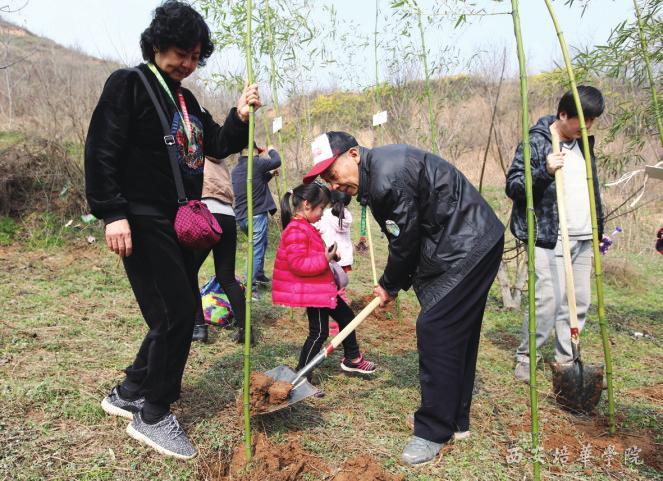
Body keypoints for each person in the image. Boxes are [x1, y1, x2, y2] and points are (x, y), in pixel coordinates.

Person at [84, 1, 261, 459]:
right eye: (181, 53)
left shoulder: (186, 101)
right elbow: (101, 150)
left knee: (170, 311)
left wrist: (240, 115)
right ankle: (154, 413)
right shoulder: (129, 84)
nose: (187, 63)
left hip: (176, 219)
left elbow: (215, 145)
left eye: (195, 56)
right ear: (158, 44)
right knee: (178, 314)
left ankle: (129, 392)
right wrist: (112, 213)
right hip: (140, 217)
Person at [304, 131, 504, 466]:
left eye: (333, 174)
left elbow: (404, 241)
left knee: (435, 328)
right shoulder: (379, 171)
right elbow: (409, 234)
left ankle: (433, 430)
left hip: (467, 243)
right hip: (471, 239)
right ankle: (456, 420)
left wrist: (389, 285)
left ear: (353, 154)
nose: (334, 185)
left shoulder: (387, 178)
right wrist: (393, 283)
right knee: (456, 334)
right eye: (327, 179)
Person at [507, 86, 605, 383]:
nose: (588, 126)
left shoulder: (583, 144)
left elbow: (592, 189)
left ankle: (566, 359)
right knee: (547, 302)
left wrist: (597, 228)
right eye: (583, 120)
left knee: (578, 303)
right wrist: (545, 171)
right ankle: (526, 356)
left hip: (583, 236)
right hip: (550, 236)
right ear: (563, 114)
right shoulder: (537, 141)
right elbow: (514, 186)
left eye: (592, 120)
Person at [271, 182, 377, 387]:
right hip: (314, 291)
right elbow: (298, 264)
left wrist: (329, 255)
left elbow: (310, 254)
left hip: (322, 288)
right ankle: (302, 376)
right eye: (321, 208)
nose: (322, 213)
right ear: (307, 205)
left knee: (347, 317)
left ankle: (352, 358)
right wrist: (324, 259)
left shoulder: (306, 227)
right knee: (319, 332)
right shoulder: (295, 230)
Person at [189, 155, 247, 345]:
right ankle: (245, 330)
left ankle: (199, 327)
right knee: (227, 277)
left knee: (188, 272)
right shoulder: (221, 160)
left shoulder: (195, 153)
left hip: (205, 211)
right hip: (228, 214)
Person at [231, 144, 281, 299]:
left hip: (242, 218)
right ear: (250, 151)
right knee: (256, 251)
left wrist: (270, 175)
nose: (258, 154)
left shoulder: (236, 170)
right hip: (256, 216)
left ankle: (258, 274)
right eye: (256, 152)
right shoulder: (255, 163)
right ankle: (249, 287)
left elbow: (257, 182)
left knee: (261, 244)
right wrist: (272, 149)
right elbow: (277, 161)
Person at [314, 190, 354, 336]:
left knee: (333, 292)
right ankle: (340, 323)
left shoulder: (325, 215)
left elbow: (316, 228)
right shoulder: (347, 215)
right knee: (340, 291)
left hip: (332, 258)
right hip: (344, 260)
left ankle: (336, 325)